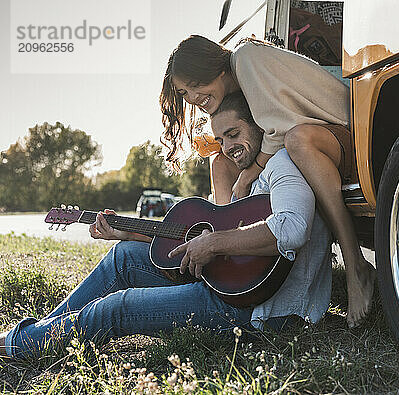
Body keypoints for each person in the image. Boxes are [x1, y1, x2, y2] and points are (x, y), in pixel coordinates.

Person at [0, 92, 332, 360]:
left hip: (263, 312)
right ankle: (40, 334)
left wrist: (214, 244)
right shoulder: (244, 175)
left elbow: (291, 229)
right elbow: (207, 242)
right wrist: (129, 232)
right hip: (228, 287)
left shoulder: (283, 165)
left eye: (235, 133)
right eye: (221, 139)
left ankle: (20, 345)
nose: (229, 147)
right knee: (124, 256)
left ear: (259, 125)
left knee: (116, 308)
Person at [160, 35, 374, 328]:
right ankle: (227, 247)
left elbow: (280, 131)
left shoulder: (245, 59)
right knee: (220, 160)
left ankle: (355, 265)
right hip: (319, 141)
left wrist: (248, 176)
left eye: (196, 85)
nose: (194, 98)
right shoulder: (239, 88)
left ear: (216, 69)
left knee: (297, 141)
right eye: (185, 93)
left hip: (353, 135)